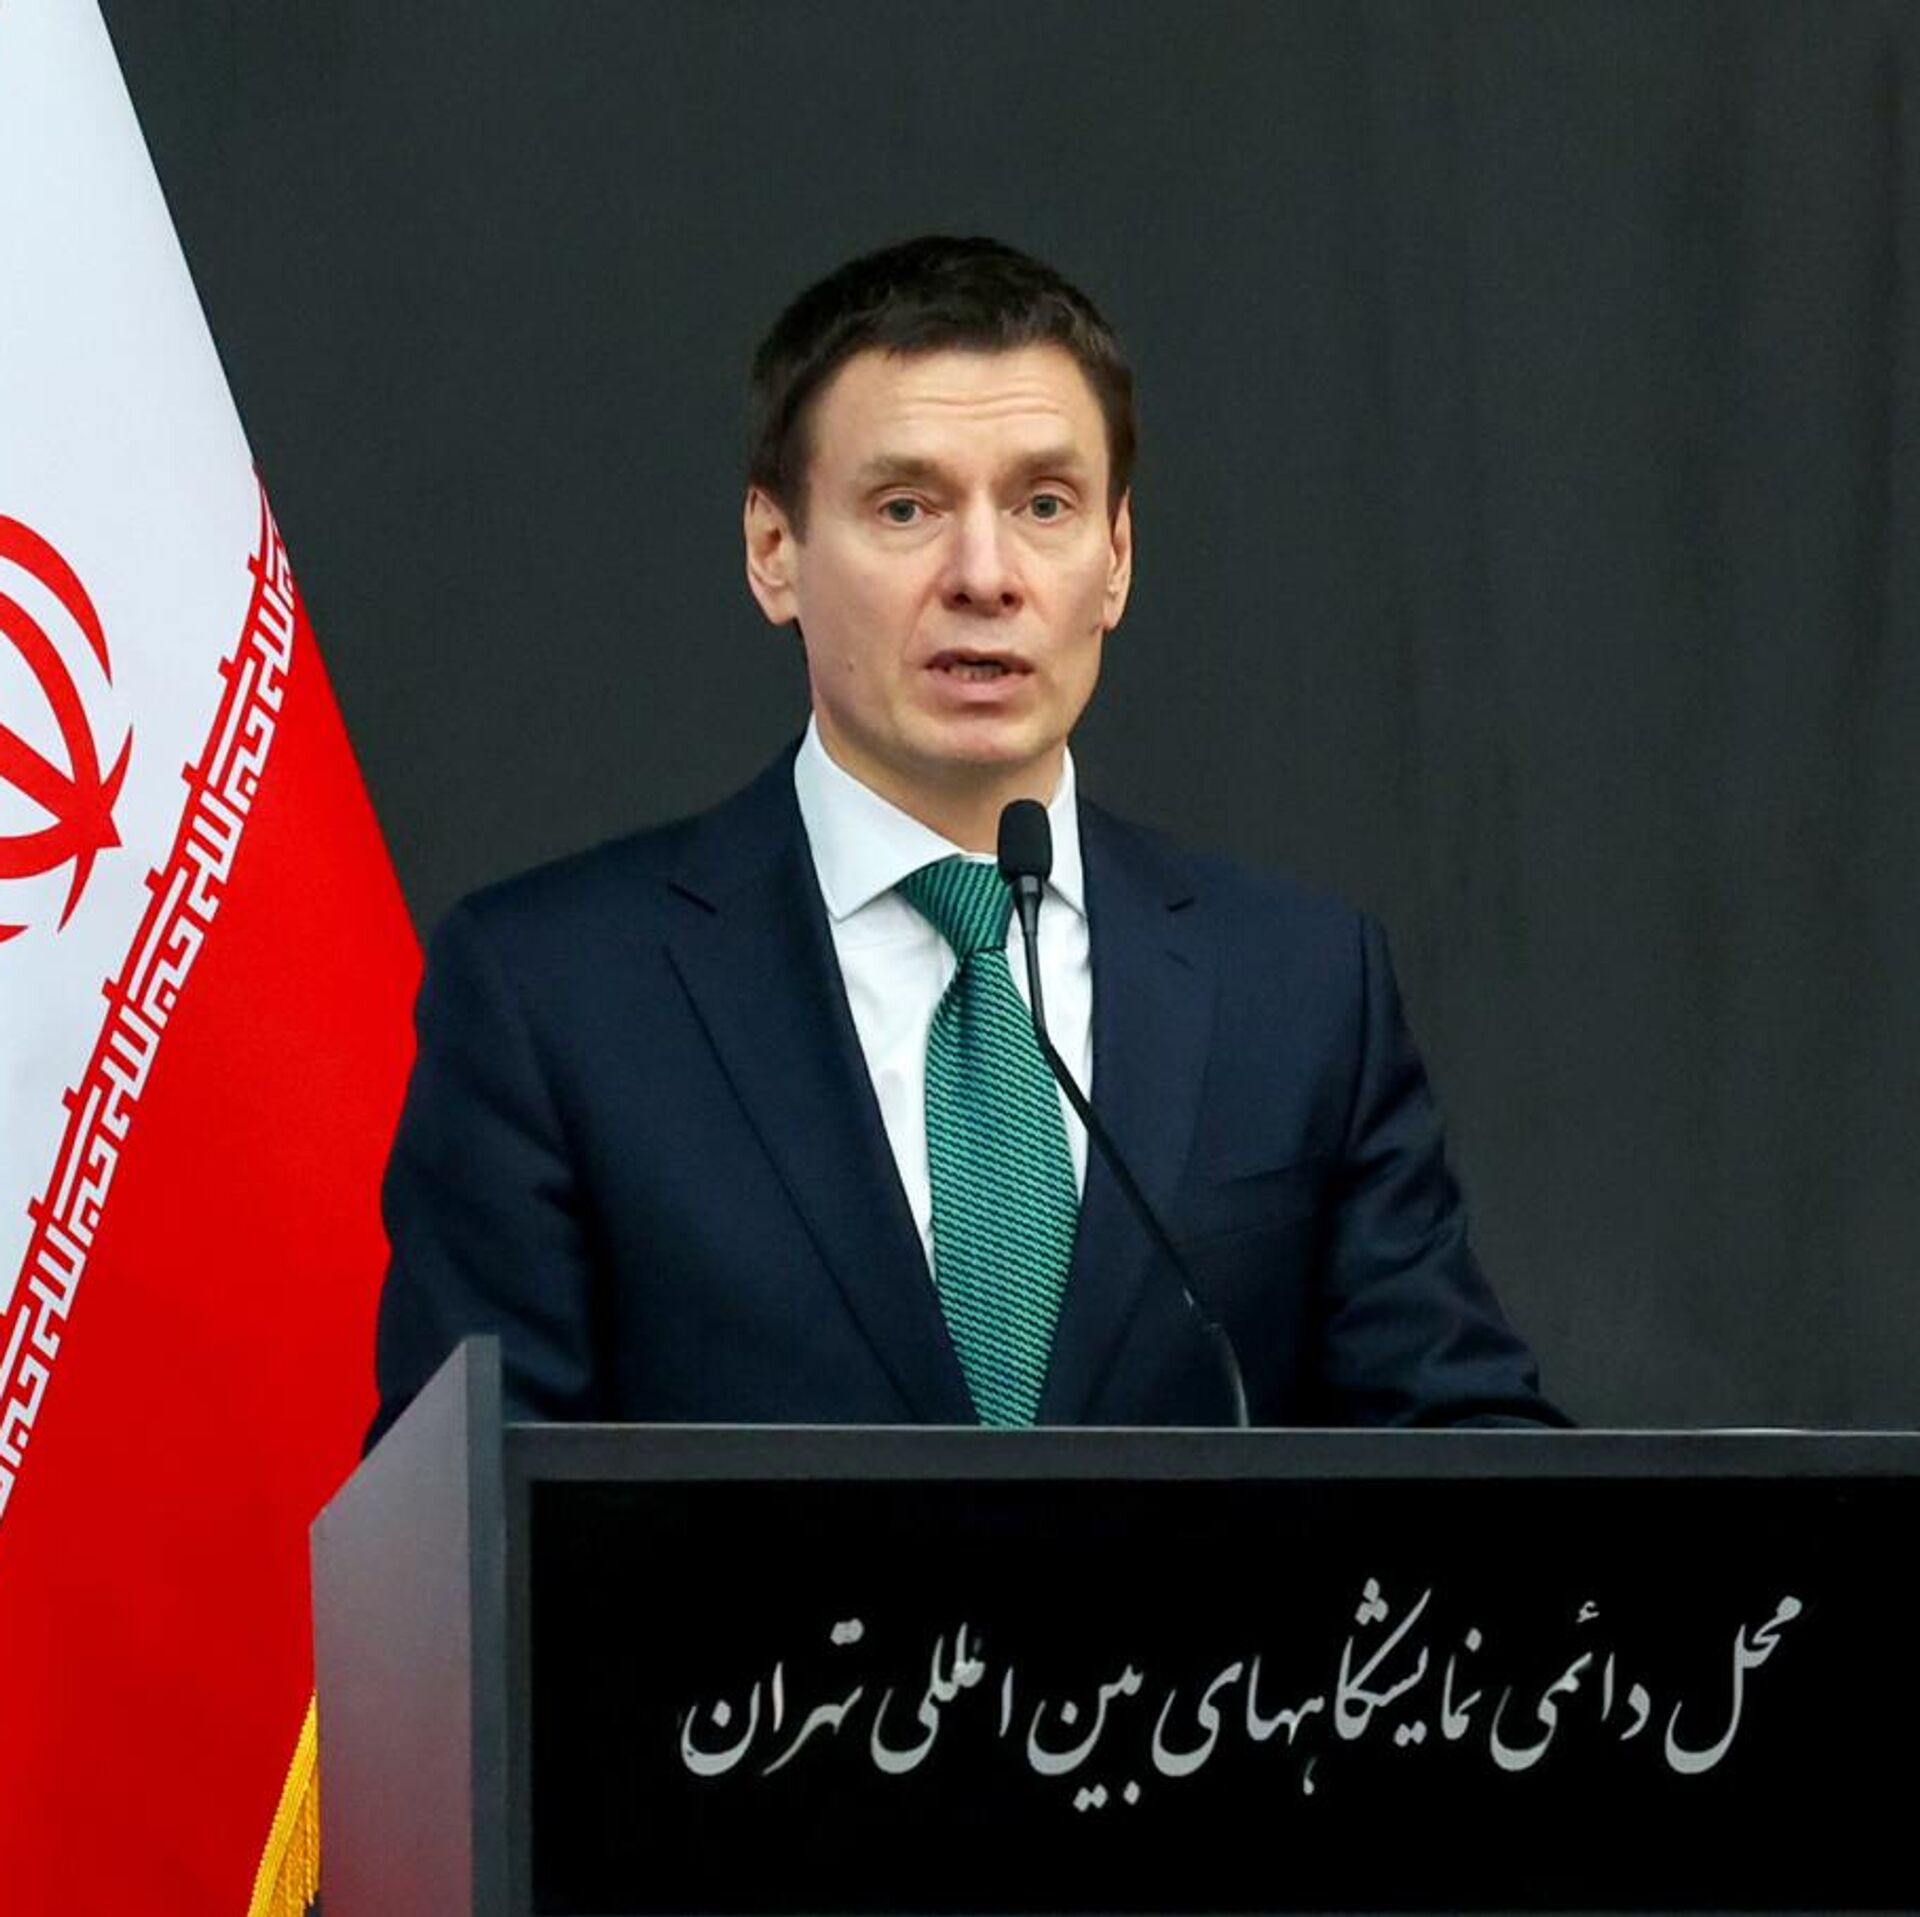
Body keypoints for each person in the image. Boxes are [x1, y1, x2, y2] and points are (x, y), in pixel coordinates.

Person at [367, 235, 1563, 1447]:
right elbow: (474, 1514)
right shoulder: (554, 993)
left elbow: (1472, 1450)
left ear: (1117, 558)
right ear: (774, 551)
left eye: (1044, 506)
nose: (985, 577)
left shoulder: (1299, 987)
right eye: (907, 508)